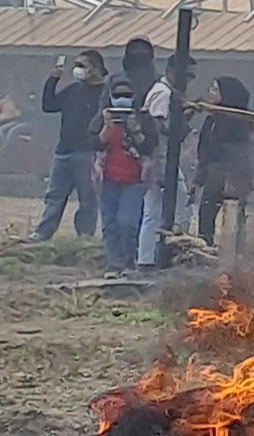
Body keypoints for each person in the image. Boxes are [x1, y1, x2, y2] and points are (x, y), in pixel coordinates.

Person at [31, 50, 107, 242]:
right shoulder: (73, 89)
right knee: (54, 195)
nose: (78, 70)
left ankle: (85, 236)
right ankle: (43, 232)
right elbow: (49, 105)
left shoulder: (105, 93)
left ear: (95, 68)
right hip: (63, 151)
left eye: (83, 65)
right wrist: (52, 80)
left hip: (88, 152)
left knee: (87, 199)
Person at [93, 60, 160, 272]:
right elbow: (93, 142)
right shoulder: (103, 116)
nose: (123, 99)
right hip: (109, 179)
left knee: (128, 222)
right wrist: (107, 127)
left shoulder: (143, 118)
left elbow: (150, 146)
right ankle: (115, 264)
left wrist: (135, 130)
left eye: (127, 95)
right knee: (110, 223)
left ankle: (129, 260)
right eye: (118, 94)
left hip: (134, 179)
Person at [193, 77, 254, 252]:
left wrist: (233, 179)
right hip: (213, 175)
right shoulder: (211, 121)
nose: (211, 93)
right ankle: (205, 249)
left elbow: (238, 153)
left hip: (233, 176)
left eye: (215, 90)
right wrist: (198, 180)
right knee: (206, 215)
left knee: (234, 218)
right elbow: (204, 153)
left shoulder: (239, 121)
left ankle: (234, 255)